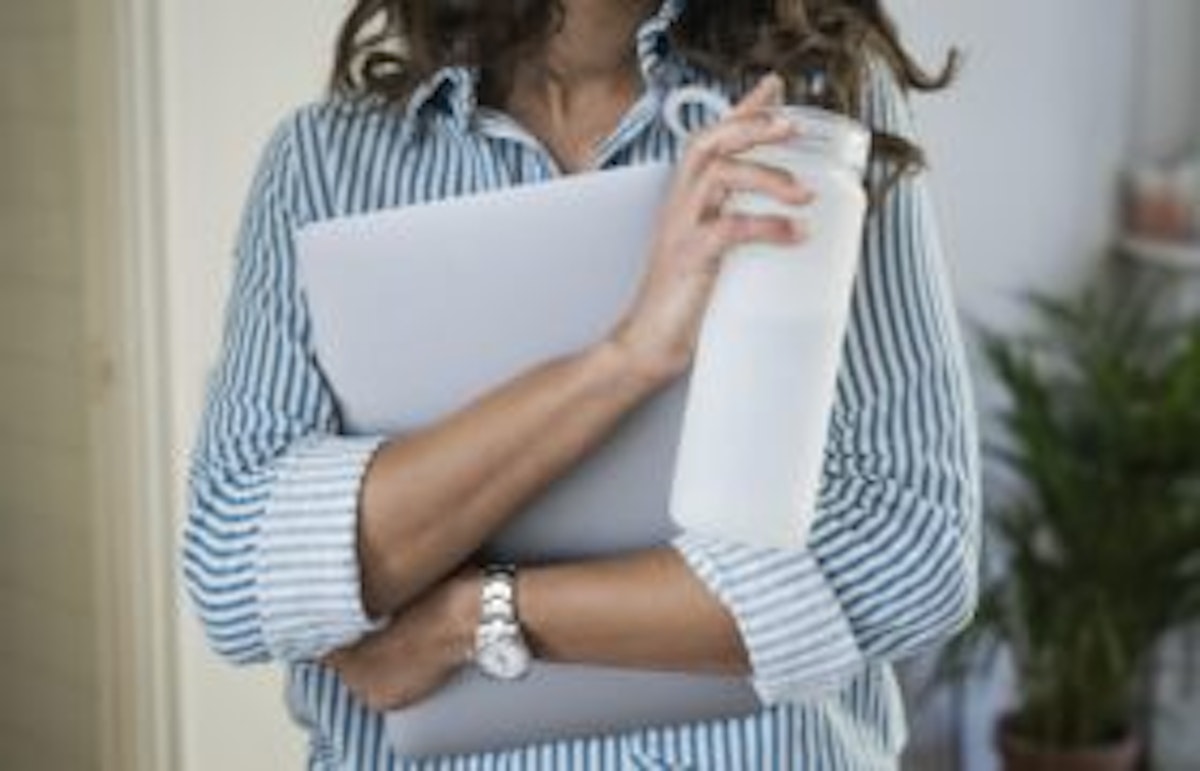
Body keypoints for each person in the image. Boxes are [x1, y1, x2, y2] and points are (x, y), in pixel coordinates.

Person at [183, 0, 981, 768]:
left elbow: (910, 548)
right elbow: (237, 568)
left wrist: (471, 618)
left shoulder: (808, 106)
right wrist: (624, 360)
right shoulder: (324, 163)